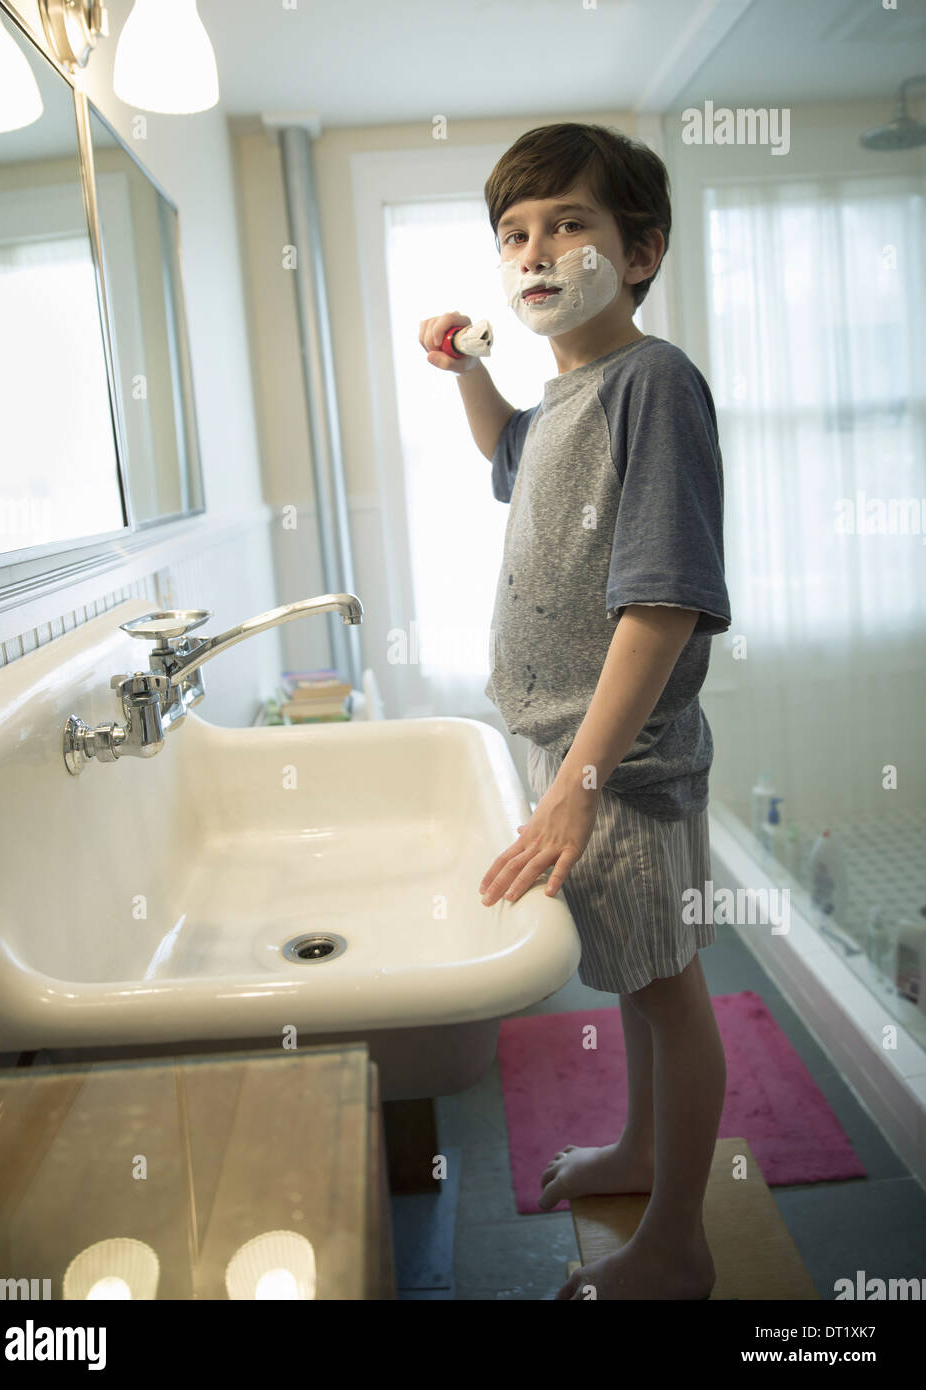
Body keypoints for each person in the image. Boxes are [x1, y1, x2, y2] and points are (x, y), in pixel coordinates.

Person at [418, 123, 730, 1301]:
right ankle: (642, 1149)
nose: (534, 249)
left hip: (621, 765)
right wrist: (468, 377)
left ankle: (678, 1244)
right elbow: (507, 453)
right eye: (513, 233)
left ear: (638, 250)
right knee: (639, 980)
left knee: (667, 990)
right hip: (575, 751)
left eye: (566, 224)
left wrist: (576, 784)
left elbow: (660, 604)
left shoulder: (651, 383)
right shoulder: (566, 399)